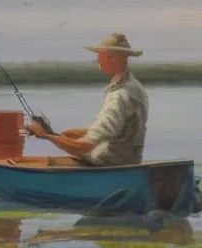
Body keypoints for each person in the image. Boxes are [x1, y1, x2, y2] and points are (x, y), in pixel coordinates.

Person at [23, 33, 149, 166]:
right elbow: (109, 130)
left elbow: (84, 147)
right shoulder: (134, 87)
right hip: (126, 161)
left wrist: (46, 135)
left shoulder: (120, 95)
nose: (98, 61)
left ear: (115, 58)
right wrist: (60, 134)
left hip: (108, 164)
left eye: (102, 56)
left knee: (42, 164)